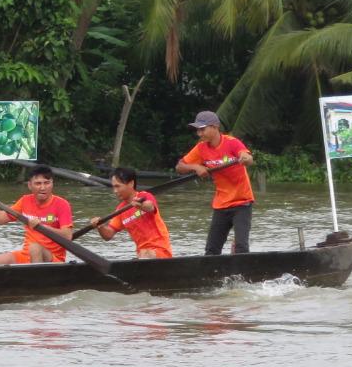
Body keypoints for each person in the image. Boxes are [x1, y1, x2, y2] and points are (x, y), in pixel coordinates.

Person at [176, 110, 254, 254]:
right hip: (221, 204)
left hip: (242, 202)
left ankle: (242, 272)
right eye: (198, 130)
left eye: (202, 129)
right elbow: (180, 166)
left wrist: (245, 158)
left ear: (214, 127)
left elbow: (247, 157)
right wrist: (196, 167)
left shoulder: (231, 142)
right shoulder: (200, 148)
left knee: (241, 247)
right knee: (211, 250)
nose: (199, 134)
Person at [0, 166, 73, 267]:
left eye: (47, 183)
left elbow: (68, 236)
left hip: (53, 258)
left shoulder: (62, 204)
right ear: (30, 185)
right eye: (38, 183)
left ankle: (36, 283)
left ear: (52, 184)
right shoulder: (25, 201)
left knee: (35, 248)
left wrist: (43, 226)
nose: (43, 187)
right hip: (26, 254)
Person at [93, 167, 173, 259]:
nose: (115, 191)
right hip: (142, 254)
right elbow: (108, 235)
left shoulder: (145, 196)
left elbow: (150, 207)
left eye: (118, 186)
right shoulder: (120, 210)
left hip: (160, 251)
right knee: (142, 254)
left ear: (131, 183)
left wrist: (140, 205)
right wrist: (100, 226)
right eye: (113, 187)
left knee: (145, 254)